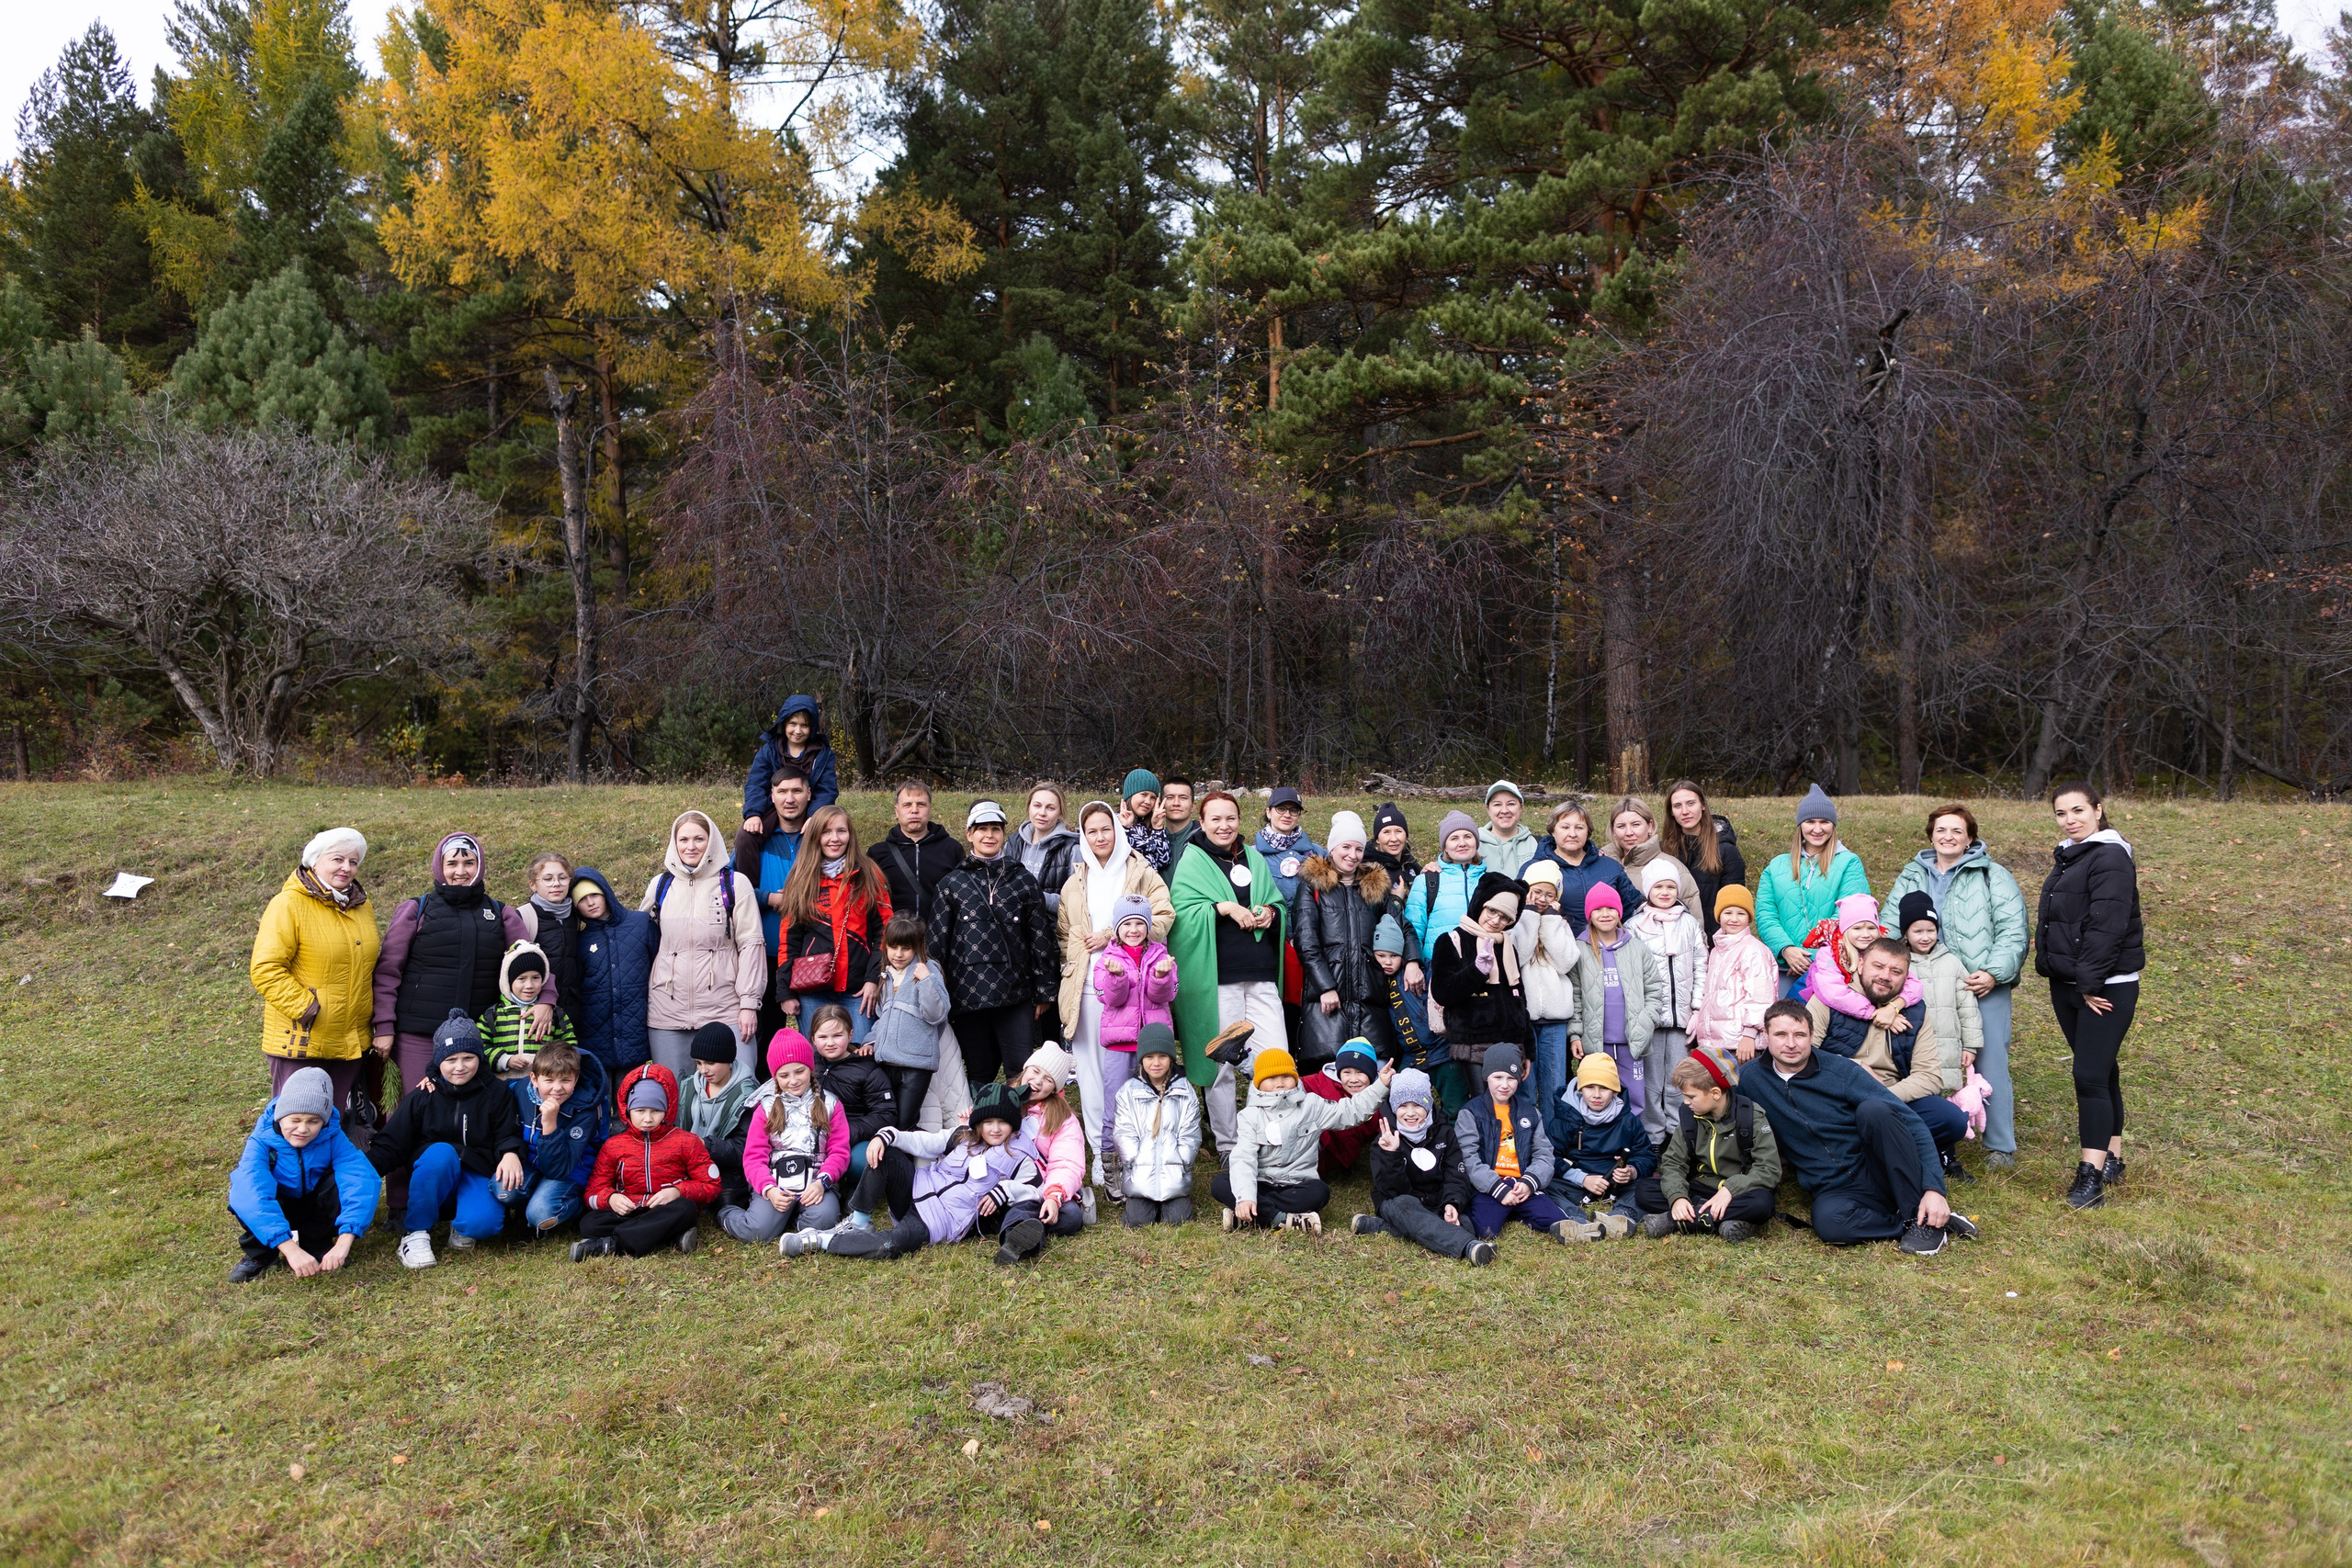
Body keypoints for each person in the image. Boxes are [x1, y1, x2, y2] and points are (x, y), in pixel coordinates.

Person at [1731, 999, 1972, 1255]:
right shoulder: (1751, 1078)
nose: (1790, 1044)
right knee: (1829, 1226)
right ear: (1766, 1036)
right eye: (1780, 1034)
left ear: (1812, 1036)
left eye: (1799, 1035)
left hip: (1879, 1170)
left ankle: (1922, 1217)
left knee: (1875, 1110)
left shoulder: (1842, 1071)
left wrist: (1934, 1189)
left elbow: (1913, 1123)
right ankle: (1916, 1223)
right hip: (1833, 1187)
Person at [1878, 803, 2028, 1169]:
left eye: (1957, 831)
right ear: (1931, 836)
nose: (1948, 837)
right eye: (1941, 830)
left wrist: (1993, 972)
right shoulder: (1912, 875)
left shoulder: (1993, 875)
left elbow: (2014, 930)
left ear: (1970, 838)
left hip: (1979, 984)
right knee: (1922, 1060)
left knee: (1989, 1057)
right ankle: (1935, 1138)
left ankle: (2000, 1146)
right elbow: (1888, 925)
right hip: (1922, 982)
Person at [373, 832, 551, 1095]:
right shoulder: (415, 910)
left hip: (476, 1035)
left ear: (479, 867)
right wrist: (384, 1025)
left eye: (468, 863)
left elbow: (530, 960)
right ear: (439, 866)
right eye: (452, 864)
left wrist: (546, 999)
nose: (461, 871)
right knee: (412, 1109)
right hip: (417, 1035)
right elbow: (388, 971)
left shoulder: (500, 913)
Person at [1057, 799, 1175, 1193]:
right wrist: (1075, 962)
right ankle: (1101, 1155)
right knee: (1090, 1076)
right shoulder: (1075, 881)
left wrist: (1111, 934)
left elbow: (1164, 917)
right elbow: (1064, 934)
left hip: (1133, 993)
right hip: (1087, 989)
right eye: (1091, 831)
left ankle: (1139, 1155)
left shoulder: (1140, 870)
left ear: (1117, 829)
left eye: (1105, 828)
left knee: (1128, 1077)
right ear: (1083, 836)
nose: (1100, 836)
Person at [2038, 780, 2143, 1211]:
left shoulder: (2111, 856)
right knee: (2102, 1072)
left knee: (2089, 1077)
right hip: (2069, 985)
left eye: (2078, 810)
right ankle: (2112, 1156)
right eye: (2062, 813)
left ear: (2098, 810)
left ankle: (2090, 1178)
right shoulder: (2071, 855)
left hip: (2103, 987)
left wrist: (2088, 985)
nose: (2070, 820)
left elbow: (2108, 925)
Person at [792, 1081, 1042, 1261]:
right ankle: (859, 1222)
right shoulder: (963, 1136)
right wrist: (888, 1136)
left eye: (1003, 1122)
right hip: (916, 1189)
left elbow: (1034, 1191)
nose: (995, 1129)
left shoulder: (1020, 1155)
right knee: (887, 1155)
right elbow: (926, 1142)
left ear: (1013, 1124)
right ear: (979, 1123)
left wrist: (1004, 1190)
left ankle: (821, 1241)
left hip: (938, 1221)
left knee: (892, 1245)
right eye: (988, 1122)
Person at [1167, 790, 1289, 1157]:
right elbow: (1181, 915)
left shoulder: (1252, 856)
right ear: (1201, 822)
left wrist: (1270, 912)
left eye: (1231, 818)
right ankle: (1229, 1144)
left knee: (1275, 1058)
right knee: (1220, 1066)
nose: (1224, 825)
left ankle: (1272, 1141)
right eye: (1215, 819)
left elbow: (1279, 903)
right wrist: (1220, 907)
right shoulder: (1192, 859)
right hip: (1217, 979)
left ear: (1240, 821)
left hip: (1262, 974)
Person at [368, 1011, 527, 1269]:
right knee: (440, 1153)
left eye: (468, 1058)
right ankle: (416, 1233)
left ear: (480, 1057)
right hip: (435, 1172)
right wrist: (361, 1173)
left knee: (483, 1224)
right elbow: (392, 1143)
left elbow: (507, 1132)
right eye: (451, 1059)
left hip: (477, 1169)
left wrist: (510, 1152)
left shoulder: (497, 1092)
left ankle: (462, 1222)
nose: (460, 1066)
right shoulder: (424, 1094)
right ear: (439, 1061)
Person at [250, 826, 381, 1126]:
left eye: (353, 862)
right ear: (314, 861)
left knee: (330, 1127)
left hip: (349, 1040)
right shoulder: (289, 904)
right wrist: (306, 1009)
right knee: (295, 1126)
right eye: (337, 859)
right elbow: (266, 968)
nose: (346, 868)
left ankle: (323, 1175)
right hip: (303, 1038)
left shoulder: (361, 907)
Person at [1806, 940, 1972, 1176]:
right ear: (1861, 965)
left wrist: (1882, 1098)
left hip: (1893, 1098)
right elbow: (1804, 1057)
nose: (1885, 976)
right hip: (1839, 1100)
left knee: (1950, 1119)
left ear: (1906, 977)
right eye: (1878, 966)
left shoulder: (1915, 1012)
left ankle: (1869, 1149)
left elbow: (1930, 1076)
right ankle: (1888, 1149)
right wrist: (1854, 1068)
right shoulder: (1830, 999)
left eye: (1896, 972)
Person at [929, 800, 1060, 1089]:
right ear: (969, 834)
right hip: (967, 996)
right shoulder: (950, 884)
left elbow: (1041, 939)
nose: (989, 835)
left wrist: (1044, 992)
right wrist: (939, 994)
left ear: (1004, 833)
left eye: (995, 829)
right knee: (978, 1072)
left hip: (1016, 995)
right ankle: (981, 1131)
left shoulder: (1023, 881)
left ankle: (1021, 1132)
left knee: (1020, 1070)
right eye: (982, 829)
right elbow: (936, 946)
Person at [640, 810, 763, 1084]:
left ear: (712, 841)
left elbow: (751, 944)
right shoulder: (660, 886)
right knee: (674, 1096)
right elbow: (641, 942)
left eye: (699, 838)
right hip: (667, 1013)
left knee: (738, 1091)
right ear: (675, 843)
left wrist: (748, 1004)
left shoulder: (734, 884)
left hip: (726, 1009)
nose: (691, 846)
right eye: (683, 839)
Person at [227, 1065, 381, 1281]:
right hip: (279, 1204)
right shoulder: (261, 1141)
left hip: (312, 1205)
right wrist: (290, 1249)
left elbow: (361, 1180)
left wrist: (345, 1239)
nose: (302, 1129)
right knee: (244, 1194)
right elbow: (251, 1194)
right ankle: (262, 1254)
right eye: (295, 1120)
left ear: (324, 1121)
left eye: (313, 1121)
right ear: (280, 1117)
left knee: (337, 1184)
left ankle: (317, 1244)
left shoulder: (333, 1137)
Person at [1213, 1049, 1392, 1232]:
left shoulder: (1312, 1105)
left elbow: (1349, 1111)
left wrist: (1381, 1086)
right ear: (1259, 1082)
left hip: (1297, 1185)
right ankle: (1280, 1219)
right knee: (1220, 1184)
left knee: (1320, 1192)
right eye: (1271, 1078)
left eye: (1285, 1076)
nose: (1280, 1084)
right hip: (1260, 1183)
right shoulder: (1250, 1115)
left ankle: (1249, 1217)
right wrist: (1246, 1197)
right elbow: (1244, 1157)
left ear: (1296, 1078)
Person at [1293, 810, 1418, 1068]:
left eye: (1359, 849)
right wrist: (1325, 986)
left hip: (1370, 998)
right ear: (1332, 848)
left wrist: (1413, 960)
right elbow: (1306, 941)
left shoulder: (1374, 888)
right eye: (1346, 847)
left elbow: (1402, 925)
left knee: (1373, 1077)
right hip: (1328, 999)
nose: (1352, 855)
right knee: (1329, 1080)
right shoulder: (1312, 885)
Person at [573, 1064, 722, 1260]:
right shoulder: (614, 1145)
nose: (648, 1119)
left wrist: (678, 1191)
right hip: (630, 1211)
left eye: (656, 1111)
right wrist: (610, 1198)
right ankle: (668, 1236)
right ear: (627, 1109)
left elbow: (711, 1186)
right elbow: (593, 1192)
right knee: (589, 1223)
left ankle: (611, 1245)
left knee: (685, 1209)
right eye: (640, 1110)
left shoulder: (687, 1142)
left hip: (665, 1209)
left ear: (667, 1110)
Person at [774, 804, 892, 1045]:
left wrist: (874, 979)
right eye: (827, 832)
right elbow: (789, 938)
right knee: (817, 1060)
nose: (834, 839)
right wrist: (785, 991)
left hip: (858, 990)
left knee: (859, 1057)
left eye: (841, 831)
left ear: (851, 835)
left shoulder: (870, 874)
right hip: (812, 991)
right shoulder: (801, 877)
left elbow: (886, 931)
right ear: (816, 836)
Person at [718, 1029, 851, 1245]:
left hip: (816, 1183)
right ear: (775, 1077)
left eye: (799, 1072)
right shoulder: (765, 1107)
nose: (793, 1081)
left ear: (810, 1068)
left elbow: (839, 1152)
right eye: (784, 1075)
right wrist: (769, 1190)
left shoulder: (831, 1104)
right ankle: (726, 1211)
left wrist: (822, 1183)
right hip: (776, 1184)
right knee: (757, 1231)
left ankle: (793, 1219)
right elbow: (753, 1157)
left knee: (824, 1220)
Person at [1350, 1068, 1491, 1265]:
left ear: (1428, 1103)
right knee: (1405, 1206)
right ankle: (1469, 1247)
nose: (1410, 1113)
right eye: (1403, 1106)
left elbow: (1456, 1175)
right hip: (1400, 1201)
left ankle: (1381, 1227)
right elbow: (1392, 1191)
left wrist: (1452, 1202)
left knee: (1465, 1223)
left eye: (1417, 1105)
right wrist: (1392, 1154)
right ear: (1393, 1107)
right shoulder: (1384, 1139)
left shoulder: (1445, 1133)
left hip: (1435, 1202)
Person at [1637, 1049, 1780, 1241]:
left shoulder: (1751, 1116)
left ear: (1714, 1093)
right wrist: (1678, 1197)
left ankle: (1675, 1220)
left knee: (1762, 1204)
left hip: (1738, 1192)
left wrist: (1730, 1190)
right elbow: (1673, 1163)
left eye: (1691, 1096)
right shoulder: (1689, 1116)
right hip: (1701, 1187)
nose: (1686, 1102)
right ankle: (1723, 1220)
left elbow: (1769, 1169)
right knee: (1645, 1190)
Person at [1091, 892, 1179, 1199]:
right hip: (1120, 1045)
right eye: (1126, 923)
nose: (1133, 929)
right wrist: (1116, 978)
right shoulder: (1107, 959)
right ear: (1116, 927)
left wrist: (1160, 975)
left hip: (1152, 1047)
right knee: (1115, 1108)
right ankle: (1112, 1168)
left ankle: (1148, 1168)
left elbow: (1163, 997)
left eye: (1139, 923)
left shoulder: (1161, 955)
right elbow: (1111, 999)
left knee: (1154, 1106)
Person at [1429, 872, 1534, 1106]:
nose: (1496, 921)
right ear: (1480, 904)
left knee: (1510, 1110)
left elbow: (1519, 1000)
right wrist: (1476, 972)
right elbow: (1443, 992)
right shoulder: (1451, 940)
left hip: (1511, 1045)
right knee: (1485, 1109)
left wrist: (1528, 1049)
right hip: (1474, 1045)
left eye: (1505, 917)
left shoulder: (1507, 946)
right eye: (1492, 911)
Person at [1756, 785, 1871, 998]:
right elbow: (1766, 915)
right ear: (1800, 825)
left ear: (1833, 826)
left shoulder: (1848, 863)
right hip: (1783, 966)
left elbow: (1849, 915)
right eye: (1810, 822)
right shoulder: (1776, 866)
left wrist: (1813, 957)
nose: (1817, 829)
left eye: (1824, 822)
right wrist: (1786, 949)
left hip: (1831, 966)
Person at [1455, 1044, 1572, 1243]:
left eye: (1511, 1078)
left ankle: (1514, 1208)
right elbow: (1468, 1158)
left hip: (1521, 1183)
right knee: (1485, 1230)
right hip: (1490, 1185)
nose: (1504, 1084)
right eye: (1497, 1077)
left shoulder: (1530, 1113)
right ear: (1486, 1077)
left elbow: (1544, 1154)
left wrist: (1529, 1182)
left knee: (1557, 1221)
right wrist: (1497, 1188)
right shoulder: (1471, 1112)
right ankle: (1503, 1208)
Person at [733, 759, 813, 1049]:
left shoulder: (818, 840)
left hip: (811, 952)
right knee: (765, 1035)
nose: (789, 799)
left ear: (809, 794)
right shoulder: (755, 841)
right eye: (782, 791)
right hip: (766, 951)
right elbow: (731, 890)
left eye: (796, 791)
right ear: (772, 796)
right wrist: (769, 898)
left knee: (819, 1033)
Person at [1628, 860, 1708, 1145]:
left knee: (1678, 1079)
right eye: (1658, 886)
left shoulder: (1689, 924)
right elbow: (1630, 971)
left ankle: (1678, 1135)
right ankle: (1653, 1138)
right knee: (1650, 1082)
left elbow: (1701, 964)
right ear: (1648, 889)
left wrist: (1696, 1007)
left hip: (1682, 1019)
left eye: (1671, 886)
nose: (1665, 892)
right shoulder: (1635, 926)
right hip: (1649, 1019)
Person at [1571, 885, 1662, 1129]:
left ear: (1620, 912)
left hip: (1631, 1041)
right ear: (1589, 914)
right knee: (1596, 1096)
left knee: (1634, 1097)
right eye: (1598, 909)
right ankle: (1600, 1145)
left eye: (1610, 908)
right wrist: (1575, 1034)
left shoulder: (1636, 948)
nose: (1605, 913)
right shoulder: (1579, 949)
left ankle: (1632, 1147)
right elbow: (1575, 994)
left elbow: (1654, 989)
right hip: (1596, 1041)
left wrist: (1647, 1020)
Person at [503, 1041, 606, 1238]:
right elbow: (487, 1089)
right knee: (503, 1190)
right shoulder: (519, 1090)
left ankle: (576, 1206)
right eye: (549, 1080)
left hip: (568, 1170)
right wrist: (434, 1075)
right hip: (532, 1164)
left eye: (565, 1080)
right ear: (533, 1078)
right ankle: (530, 1203)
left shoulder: (586, 1109)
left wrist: (549, 1125)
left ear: (575, 1079)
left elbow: (557, 1170)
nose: (557, 1088)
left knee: (540, 1213)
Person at [1512, 860, 1582, 1146]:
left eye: (1549, 894)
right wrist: (1529, 916)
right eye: (1536, 892)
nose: (1542, 899)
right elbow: (1518, 956)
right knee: (1526, 1086)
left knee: (1554, 1086)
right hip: (1524, 1020)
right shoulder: (1516, 923)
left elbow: (1566, 962)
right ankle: (1527, 1142)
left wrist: (1551, 922)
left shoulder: (1560, 925)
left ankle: (1555, 1144)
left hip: (1555, 1019)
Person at [1549, 1052, 1654, 1239]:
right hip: (1577, 1182)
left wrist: (1631, 1171)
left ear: (1615, 1091)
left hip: (1618, 1185)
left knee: (1651, 1185)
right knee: (1544, 1183)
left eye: (1604, 1088)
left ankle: (1621, 1215)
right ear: (1580, 1089)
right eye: (1590, 1087)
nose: (1596, 1095)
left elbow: (1646, 1156)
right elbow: (1550, 1157)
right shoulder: (1565, 1118)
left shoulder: (1628, 1120)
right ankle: (1575, 1218)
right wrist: (1582, 1178)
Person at [809, 1006, 898, 1223]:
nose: (830, 1042)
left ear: (850, 1035)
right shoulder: (808, 1065)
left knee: (862, 1160)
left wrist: (848, 1131)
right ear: (812, 1038)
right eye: (823, 1037)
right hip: (812, 1133)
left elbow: (886, 1113)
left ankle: (853, 1188)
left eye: (837, 1035)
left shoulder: (867, 1069)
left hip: (852, 1135)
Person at [568, 867, 658, 1078]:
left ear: (606, 893)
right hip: (595, 1038)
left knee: (631, 1102)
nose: (590, 902)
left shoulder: (641, 924)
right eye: (582, 899)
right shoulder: (579, 940)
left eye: (594, 895)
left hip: (635, 1034)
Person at [1113, 1023, 1203, 1225]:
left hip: (1174, 1175)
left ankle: (1173, 1204)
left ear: (1171, 1057)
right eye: (1149, 1057)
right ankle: (1141, 1204)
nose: (1156, 1063)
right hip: (1141, 1176)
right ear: (1141, 1059)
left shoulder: (1185, 1091)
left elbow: (1191, 1134)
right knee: (1137, 1222)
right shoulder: (1128, 1092)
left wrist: (1182, 1162)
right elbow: (1123, 1132)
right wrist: (1134, 1160)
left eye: (1162, 1056)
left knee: (1177, 1220)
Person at [870, 913, 951, 1132]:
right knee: (888, 1121)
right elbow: (881, 1017)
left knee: (904, 1123)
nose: (898, 954)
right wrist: (870, 1043)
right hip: (887, 1063)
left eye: (905, 948)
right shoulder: (886, 974)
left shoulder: (928, 970)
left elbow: (936, 1014)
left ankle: (912, 1165)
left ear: (917, 946)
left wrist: (926, 980)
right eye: (893, 947)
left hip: (916, 1064)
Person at [1011, 1043, 1092, 1237]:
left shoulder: (1063, 1119)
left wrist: (1054, 1196)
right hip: (1005, 1183)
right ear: (1025, 1069)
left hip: (1041, 1188)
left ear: (1055, 1088)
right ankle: (1022, 1222)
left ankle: (1022, 1226)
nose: (1037, 1081)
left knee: (1071, 1216)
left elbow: (1066, 1164)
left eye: (1047, 1079)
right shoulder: (1000, 1099)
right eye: (1035, 1071)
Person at [1690, 885, 1778, 1065]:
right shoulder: (1717, 951)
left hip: (1741, 1043)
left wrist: (1749, 1035)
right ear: (1719, 916)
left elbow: (1761, 997)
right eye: (1728, 913)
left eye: (1741, 913)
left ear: (1749, 918)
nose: (1734, 919)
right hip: (1715, 1040)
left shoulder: (1753, 950)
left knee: (1741, 1090)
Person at [1524, 803, 1641, 937]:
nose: (1572, 834)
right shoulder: (1533, 868)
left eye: (1579, 828)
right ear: (1553, 831)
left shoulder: (1610, 866)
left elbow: (1632, 907)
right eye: (1565, 827)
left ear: (1588, 832)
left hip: (1606, 948)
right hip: (1557, 947)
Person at [680, 1021, 761, 1211]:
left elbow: (744, 1149)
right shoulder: (687, 1086)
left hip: (728, 1173)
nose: (703, 1070)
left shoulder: (747, 1095)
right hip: (689, 1166)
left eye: (710, 1063)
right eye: (698, 1063)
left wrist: (705, 1145)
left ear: (728, 1059)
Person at [1804, 895, 1924, 1020]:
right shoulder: (1829, 954)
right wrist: (1873, 1013)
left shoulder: (1882, 949)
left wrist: (1894, 1007)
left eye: (1871, 928)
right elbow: (1833, 991)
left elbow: (1915, 985)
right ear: (1845, 929)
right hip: (1828, 1012)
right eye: (1857, 928)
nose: (1865, 934)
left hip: (1864, 1009)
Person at [1660, 780, 1747, 939]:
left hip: (1714, 941)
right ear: (1671, 812)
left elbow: (1733, 907)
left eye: (1691, 803)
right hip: (1671, 941)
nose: (1685, 811)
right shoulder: (1663, 850)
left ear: (1703, 805)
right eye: (1677, 806)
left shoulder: (1726, 851)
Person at [740, 694, 840, 827]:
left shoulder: (823, 754)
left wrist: (815, 816)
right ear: (784, 723)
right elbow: (756, 784)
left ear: (812, 728)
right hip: (775, 809)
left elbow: (827, 790)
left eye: (804, 725)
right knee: (746, 836)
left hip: (812, 811)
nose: (798, 731)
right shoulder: (769, 751)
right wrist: (754, 814)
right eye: (793, 724)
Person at [479, 942, 578, 1077]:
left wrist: (550, 1065)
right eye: (521, 979)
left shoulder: (554, 1014)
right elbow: (479, 1047)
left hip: (543, 1086)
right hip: (503, 1085)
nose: (529, 985)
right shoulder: (493, 1014)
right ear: (508, 981)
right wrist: (505, 1060)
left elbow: (569, 1046)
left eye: (536, 978)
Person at [1374, 915, 1449, 1092]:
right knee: (1398, 1096)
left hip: (1442, 1052)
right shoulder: (1376, 980)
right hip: (1411, 1057)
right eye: (1381, 955)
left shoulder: (1421, 972)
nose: (1388, 961)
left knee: (1453, 1104)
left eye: (1394, 955)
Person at [875, 781, 964, 924]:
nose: (914, 810)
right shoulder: (878, 854)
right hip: (895, 941)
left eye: (921, 804)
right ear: (897, 811)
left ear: (930, 809)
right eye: (907, 805)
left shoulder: (952, 850)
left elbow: (961, 899)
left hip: (939, 939)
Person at [1400, 810, 1487, 954]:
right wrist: (1413, 962)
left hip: (1481, 966)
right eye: (1454, 838)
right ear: (1445, 846)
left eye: (1468, 836)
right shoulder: (1426, 881)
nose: (1462, 843)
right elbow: (1413, 929)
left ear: (1476, 842)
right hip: (1437, 966)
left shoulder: (1490, 881)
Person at [1599, 796, 1700, 919]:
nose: (1629, 832)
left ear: (1650, 826)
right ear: (1613, 829)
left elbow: (1694, 923)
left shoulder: (1672, 867)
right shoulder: (1601, 863)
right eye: (1621, 826)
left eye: (1636, 825)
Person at [1300, 1038, 1385, 1179]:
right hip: (1312, 1145)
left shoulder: (1378, 1100)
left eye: (1360, 1072)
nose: (1353, 1079)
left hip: (1339, 1157)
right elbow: (1291, 1084)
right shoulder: (1321, 1082)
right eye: (1347, 1072)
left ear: (1371, 1073)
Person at [516, 852, 582, 1031]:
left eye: (563, 877)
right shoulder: (523, 917)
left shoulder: (574, 918)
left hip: (571, 1012)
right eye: (547, 879)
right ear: (533, 884)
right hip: (534, 1013)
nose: (556, 884)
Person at [1015, 782, 1081, 917]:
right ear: (1029, 808)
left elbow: (1078, 903)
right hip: (1013, 927)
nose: (1042, 813)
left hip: (1049, 930)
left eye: (1050, 808)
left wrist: (1037, 897)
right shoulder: (1013, 843)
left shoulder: (1073, 850)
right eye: (1037, 806)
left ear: (1060, 813)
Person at [1254, 787, 1324, 908]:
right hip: (1272, 926)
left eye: (1293, 810)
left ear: (1298, 816)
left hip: (1307, 926)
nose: (1287, 815)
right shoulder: (1253, 854)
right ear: (1268, 812)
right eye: (1281, 809)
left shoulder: (1315, 852)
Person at [1477, 781, 1539, 875]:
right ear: (1488, 809)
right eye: (1497, 804)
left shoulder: (1537, 844)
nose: (1505, 811)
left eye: (1511, 804)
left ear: (1521, 807)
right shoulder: (1474, 845)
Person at [1118, 768, 1170, 872]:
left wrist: (1157, 828)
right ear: (1130, 795)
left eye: (1153, 798)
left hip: (1151, 886)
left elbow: (1164, 861)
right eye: (1144, 794)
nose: (1148, 801)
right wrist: (1126, 828)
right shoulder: (1115, 822)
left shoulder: (1147, 826)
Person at [1365, 802, 1419, 884]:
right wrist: (1396, 897)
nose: (1394, 839)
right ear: (1377, 839)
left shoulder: (1410, 863)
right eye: (1386, 832)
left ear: (1406, 836)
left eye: (1398, 831)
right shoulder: (1369, 872)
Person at [1159, 778, 1204, 861]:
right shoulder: (1152, 841)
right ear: (1160, 805)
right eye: (1170, 797)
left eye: (1183, 798)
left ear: (1193, 806)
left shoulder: (1205, 838)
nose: (1176, 803)